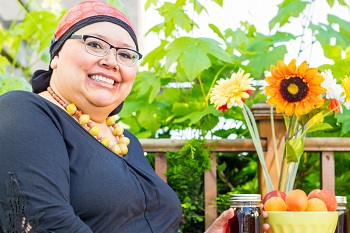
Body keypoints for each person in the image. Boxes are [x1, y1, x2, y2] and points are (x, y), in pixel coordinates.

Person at [0, 1, 269, 232]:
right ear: (56, 55)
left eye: (125, 54)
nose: (111, 61)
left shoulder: (126, 141)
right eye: (94, 44)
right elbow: (46, 223)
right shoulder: (23, 111)